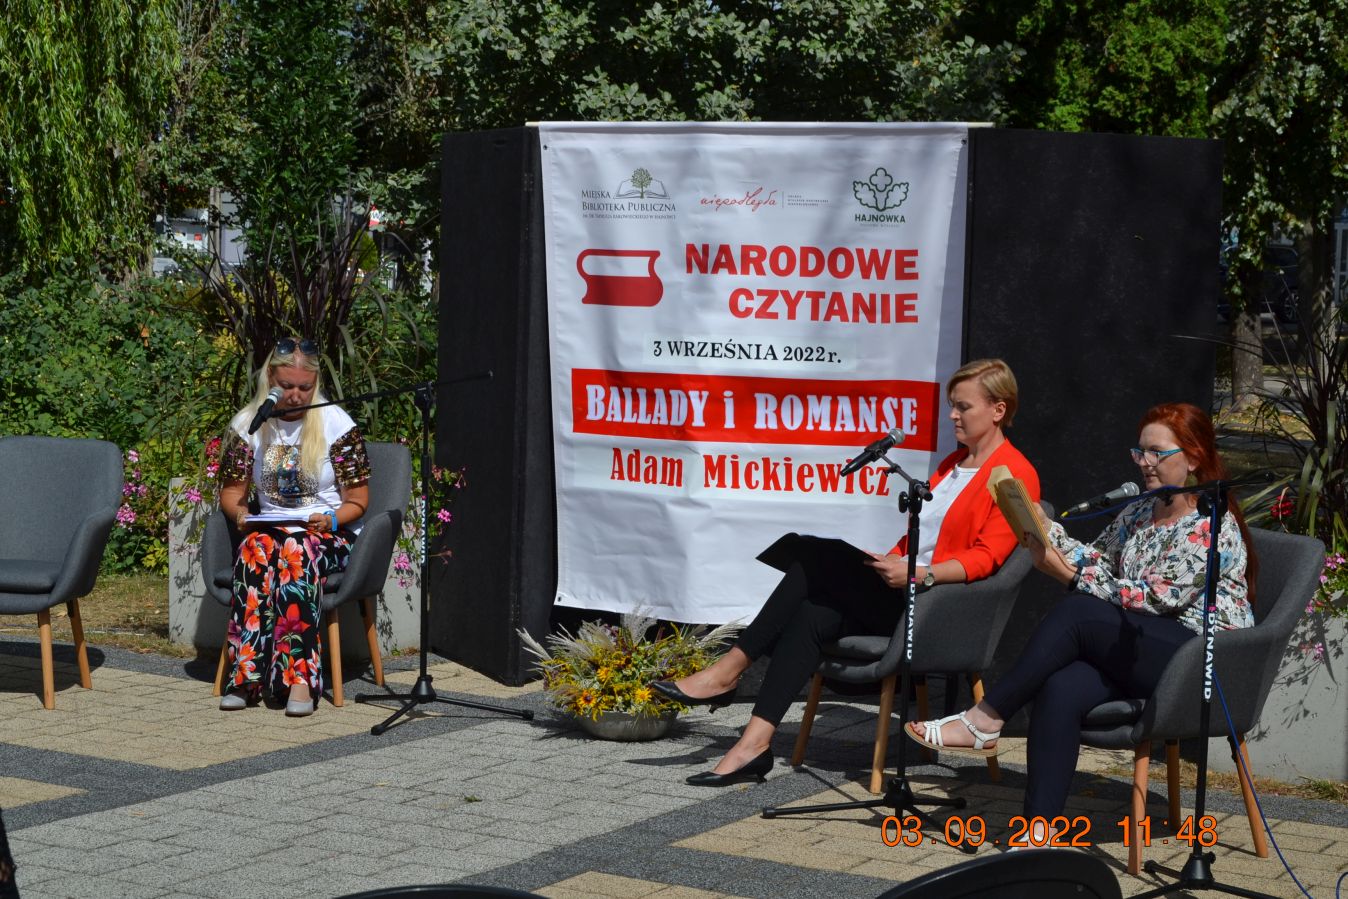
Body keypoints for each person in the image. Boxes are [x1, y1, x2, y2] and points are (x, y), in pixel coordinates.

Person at [653, 358, 1040, 786]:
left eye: (963, 406)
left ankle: (727, 671)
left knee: (812, 561)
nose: (952, 415)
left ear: (998, 410)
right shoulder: (953, 464)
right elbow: (919, 537)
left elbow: (986, 559)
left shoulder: (1015, 474)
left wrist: (920, 575)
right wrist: (889, 560)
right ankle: (752, 747)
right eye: (952, 405)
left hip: (938, 607)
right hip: (906, 590)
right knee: (812, 611)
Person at [906, 402, 1256, 835]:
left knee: (1079, 611)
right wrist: (1042, 526)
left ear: (1194, 457)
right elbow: (1099, 560)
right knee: (1060, 687)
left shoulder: (1211, 525)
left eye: (1156, 453)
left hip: (1202, 663)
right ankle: (1040, 830)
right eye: (1139, 452)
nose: (1144, 463)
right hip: (1142, 649)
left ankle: (987, 718)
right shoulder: (1141, 510)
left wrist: (1070, 577)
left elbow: (1153, 599)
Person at [216, 338, 371, 716]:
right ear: (270, 379)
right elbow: (232, 493)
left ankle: (298, 680)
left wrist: (330, 519)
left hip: (327, 534)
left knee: (295, 552)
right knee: (254, 549)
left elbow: (358, 500)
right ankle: (246, 676)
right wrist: (240, 515)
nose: (297, 395)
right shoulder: (248, 424)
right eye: (287, 386)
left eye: (305, 387)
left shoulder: (337, 424)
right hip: (272, 530)